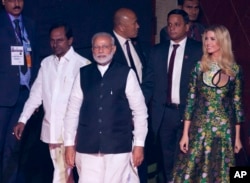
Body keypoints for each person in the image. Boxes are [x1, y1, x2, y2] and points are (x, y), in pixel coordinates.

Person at [64, 32, 148, 183]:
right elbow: (72, 111)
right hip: (87, 147)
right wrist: (69, 144)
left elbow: (140, 112)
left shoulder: (126, 73)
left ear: (114, 49)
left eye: (104, 46)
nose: (100, 50)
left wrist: (139, 144)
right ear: (92, 50)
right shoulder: (84, 74)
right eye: (96, 47)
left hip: (118, 148)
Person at [13, 22, 90, 183]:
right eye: (52, 41)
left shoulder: (82, 65)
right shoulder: (46, 64)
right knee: (63, 173)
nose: (55, 44)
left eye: (60, 40)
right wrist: (22, 119)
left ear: (70, 40)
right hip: (52, 131)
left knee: (65, 174)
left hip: (73, 133)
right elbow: (35, 95)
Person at [173, 25, 244, 183]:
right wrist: (185, 134)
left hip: (224, 131)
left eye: (212, 39)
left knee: (223, 172)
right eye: (206, 38)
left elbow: (237, 105)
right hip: (200, 129)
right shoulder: (198, 68)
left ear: (222, 42)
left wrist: (238, 138)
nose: (207, 42)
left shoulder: (235, 70)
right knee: (192, 171)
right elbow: (190, 101)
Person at [142, 9, 202, 183]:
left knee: (188, 159)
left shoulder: (198, 50)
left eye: (177, 24)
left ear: (187, 27)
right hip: (164, 115)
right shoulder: (157, 52)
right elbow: (148, 84)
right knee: (167, 161)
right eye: (169, 24)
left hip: (189, 114)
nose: (172, 28)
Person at [0, 0, 38, 182]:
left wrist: (36, 95)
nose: (16, 3)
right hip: (2, 97)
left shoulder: (30, 24)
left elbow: (36, 59)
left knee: (13, 147)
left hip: (24, 95)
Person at [112, 7, 149, 182]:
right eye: (134, 22)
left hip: (140, 114)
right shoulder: (109, 48)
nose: (138, 26)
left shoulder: (135, 44)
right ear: (121, 26)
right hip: (121, 120)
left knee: (139, 163)